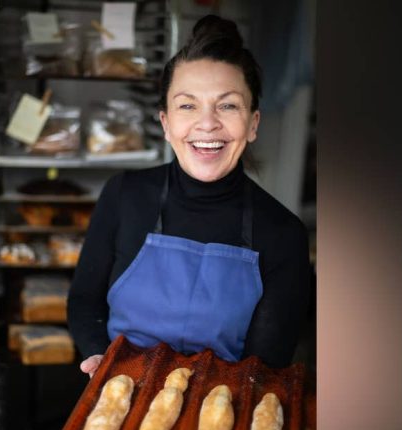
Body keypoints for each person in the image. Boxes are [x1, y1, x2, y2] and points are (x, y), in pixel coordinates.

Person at [67, 15, 310, 378]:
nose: (207, 123)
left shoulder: (284, 233)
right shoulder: (124, 195)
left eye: (227, 105)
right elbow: (85, 300)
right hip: (118, 398)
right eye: (187, 105)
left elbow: (264, 369)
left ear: (253, 123)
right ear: (166, 124)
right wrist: (98, 357)